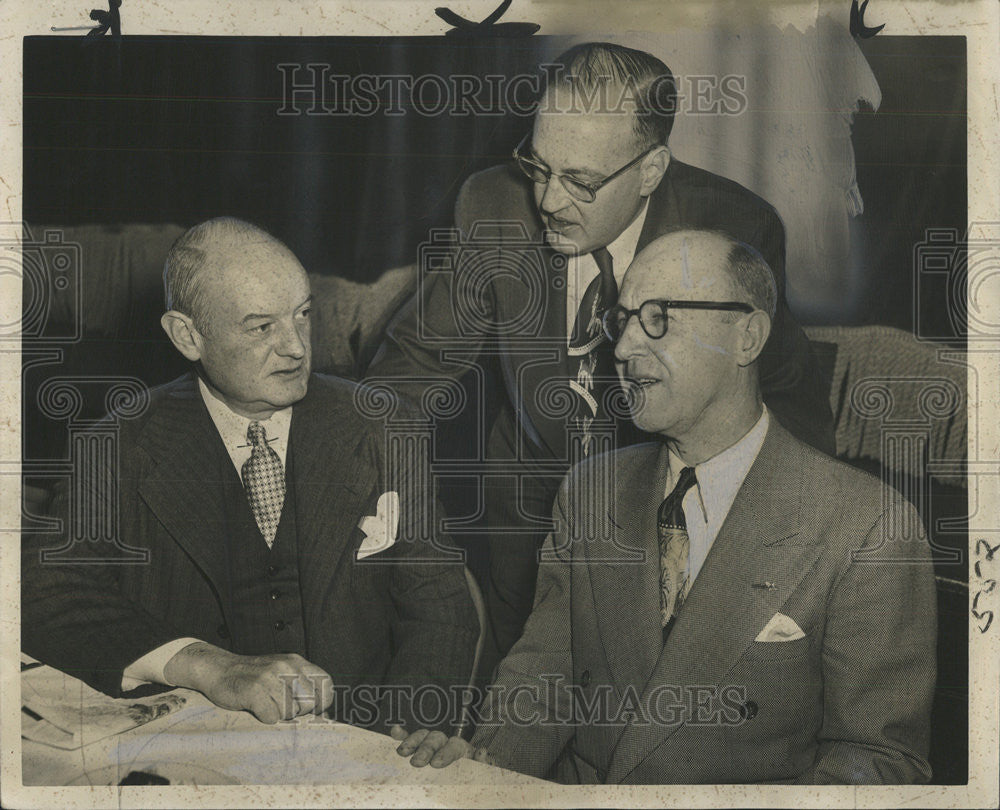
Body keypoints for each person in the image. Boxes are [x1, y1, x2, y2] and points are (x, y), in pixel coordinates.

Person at [391, 229, 937, 784]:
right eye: (621, 320)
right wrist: (484, 766)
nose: (624, 349)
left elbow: (878, 762)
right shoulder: (590, 491)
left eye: (657, 318)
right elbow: (546, 676)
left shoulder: (868, 528)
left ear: (747, 336)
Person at [367, 42, 835, 676]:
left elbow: (785, 393)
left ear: (651, 170)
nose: (549, 202)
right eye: (539, 166)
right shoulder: (493, 206)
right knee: (524, 717)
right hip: (527, 522)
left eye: (581, 182)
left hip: (669, 519)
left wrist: (776, 541)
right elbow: (410, 369)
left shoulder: (731, 230)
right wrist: (383, 503)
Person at [22, 217, 479, 733]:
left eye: (302, 315)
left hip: (360, 736)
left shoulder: (383, 425)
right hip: (193, 742)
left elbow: (438, 607)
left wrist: (410, 736)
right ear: (188, 335)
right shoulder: (117, 445)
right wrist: (211, 666)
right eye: (262, 327)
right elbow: (44, 594)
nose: (297, 348)